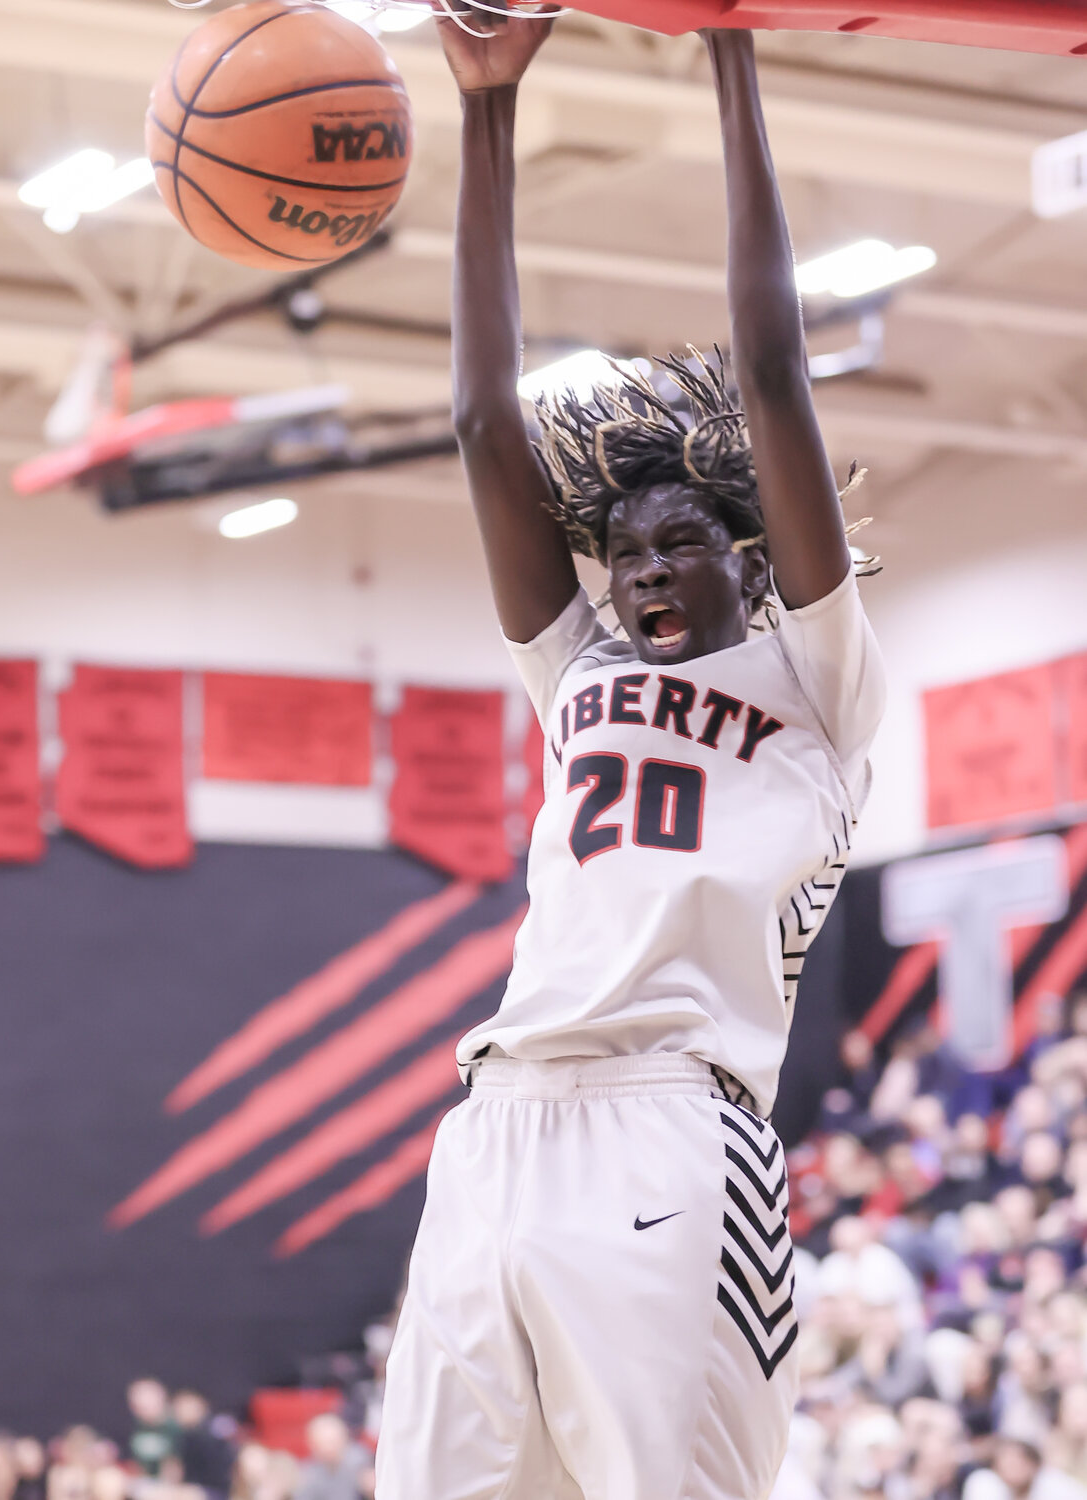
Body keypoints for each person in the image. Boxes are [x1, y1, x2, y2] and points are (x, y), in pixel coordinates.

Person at [375, 6, 886, 1498]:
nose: (643, 575)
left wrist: (729, 44)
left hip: (674, 1131)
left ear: (748, 556)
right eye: (622, 558)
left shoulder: (818, 681)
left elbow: (775, 376)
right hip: (494, 1133)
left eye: (679, 547)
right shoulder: (579, 666)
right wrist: (484, 102)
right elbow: (484, 425)